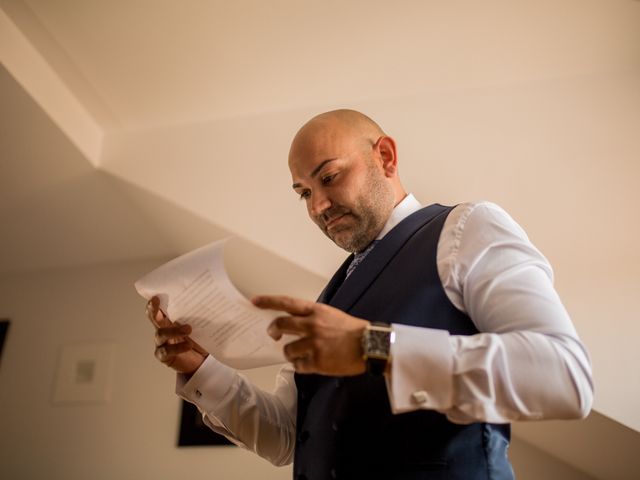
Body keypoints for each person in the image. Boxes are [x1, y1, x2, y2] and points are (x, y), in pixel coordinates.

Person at [147, 109, 593, 479]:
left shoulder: (467, 228)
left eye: (329, 177)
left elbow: (564, 375)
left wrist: (372, 347)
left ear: (386, 156)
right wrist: (201, 368)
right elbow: (288, 436)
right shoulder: (329, 299)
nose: (317, 206)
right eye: (303, 192)